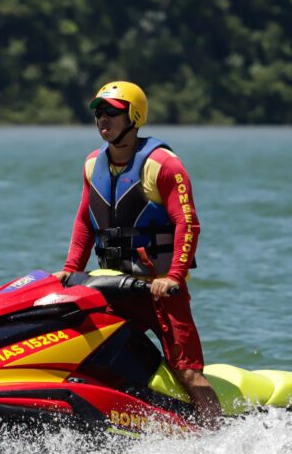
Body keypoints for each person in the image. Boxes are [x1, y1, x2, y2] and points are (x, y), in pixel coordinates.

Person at [53, 80, 222, 425]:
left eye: (112, 113)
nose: (103, 119)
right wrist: (70, 269)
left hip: (157, 289)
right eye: (98, 113)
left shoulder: (162, 165)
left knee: (187, 373)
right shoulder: (91, 165)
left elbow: (188, 224)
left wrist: (173, 277)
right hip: (111, 287)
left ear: (134, 115)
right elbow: (85, 221)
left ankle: (218, 436)